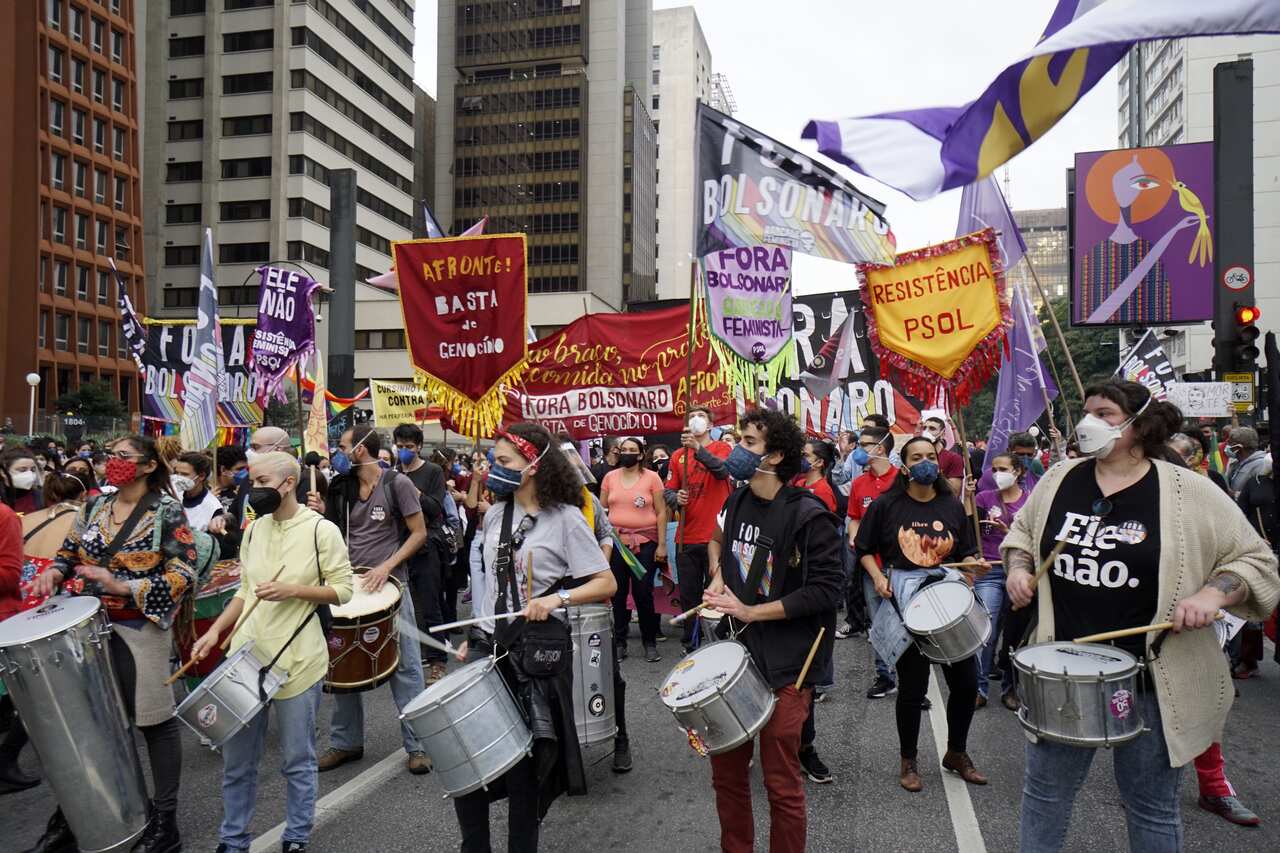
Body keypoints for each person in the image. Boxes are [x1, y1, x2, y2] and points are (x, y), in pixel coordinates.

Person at [1002, 380, 1280, 852]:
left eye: (1105, 414)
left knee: (1150, 805)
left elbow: (1255, 560)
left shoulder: (1189, 490)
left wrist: (1214, 594)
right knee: (1045, 796)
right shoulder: (1059, 478)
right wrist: (1019, 570)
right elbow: (1021, 535)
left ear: (1140, 424)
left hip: (1151, 679)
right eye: (1087, 412)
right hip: (1063, 672)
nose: (1090, 423)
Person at [26, 435, 198, 853]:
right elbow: (70, 551)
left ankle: (165, 820)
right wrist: (55, 572)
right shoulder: (95, 505)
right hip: (86, 625)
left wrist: (122, 583)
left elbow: (184, 571)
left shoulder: (166, 510)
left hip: (139, 626)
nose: (112, 463)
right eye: (110, 455)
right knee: (88, 724)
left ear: (146, 466)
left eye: (123, 457)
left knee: (153, 723)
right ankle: (75, 815)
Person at [452, 423, 616, 852]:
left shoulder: (565, 519)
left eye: (503, 461)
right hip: (490, 646)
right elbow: (489, 586)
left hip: (536, 650)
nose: (493, 468)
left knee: (525, 765)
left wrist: (558, 598)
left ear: (533, 465)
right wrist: (476, 632)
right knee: (467, 757)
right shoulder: (493, 514)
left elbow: (604, 582)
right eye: (493, 460)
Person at [190, 452, 354, 853]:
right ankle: (233, 840)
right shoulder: (254, 529)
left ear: (287, 483)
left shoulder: (321, 531)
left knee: (298, 760)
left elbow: (344, 590)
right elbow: (245, 592)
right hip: (246, 658)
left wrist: (294, 590)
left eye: (261, 479)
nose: (252, 486)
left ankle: (296, 836)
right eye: (250, 477)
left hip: (299, 659)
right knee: (237, 764)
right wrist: (214, 632)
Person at [702, 409, 843, 853]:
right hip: (737, 659)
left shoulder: (809, 515)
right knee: (727, 777)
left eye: (748, 442)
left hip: (788, 664)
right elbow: (722, 546)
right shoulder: (737, 500)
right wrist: (717, 577)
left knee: (781, 783)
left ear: (776, 454)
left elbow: (826, 591)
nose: (737, 449)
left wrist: (751, 611)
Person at [854, 435, 989, 792]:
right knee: (912, 688)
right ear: (904, 464)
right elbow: (863, 548)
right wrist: (879, 577)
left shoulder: (952, 505)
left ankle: (956, 753)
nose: (925, 462)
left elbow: (967, 551)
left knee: (964, 683)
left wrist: (974, 564)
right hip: (907, 602)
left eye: (931, 455)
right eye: (917, 457)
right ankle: (909, 759)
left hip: (948, 601)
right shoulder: (886, 505)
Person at [308, 425, 431, 775]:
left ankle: (418, 746)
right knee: (343, 668)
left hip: (391, 587)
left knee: (406, 670)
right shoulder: (341, 486)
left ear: (360, 449)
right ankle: (346, 743)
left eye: (343, 446)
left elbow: (419, 533)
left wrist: (387, 566)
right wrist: (317, 516)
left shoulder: (398, 484)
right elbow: (331, 534)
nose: (338, 451)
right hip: (348, 589)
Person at [664, 407, 733, 653]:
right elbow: (668, 490)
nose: (696, 419)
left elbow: (723, 470)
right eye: (692, 416)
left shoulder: (722, 448)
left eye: (702, 416)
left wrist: (697, 448)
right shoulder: (677, 456)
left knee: (718, 595)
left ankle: (720, 643)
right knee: (689, 595)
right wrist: (675, 498)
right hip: (687, 536)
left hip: (716, 536)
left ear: (711, 424)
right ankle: (691, 644)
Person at [842, 426, 900, 700]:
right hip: (870, 566)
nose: (859, 449)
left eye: (866, 444)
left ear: (882, 448)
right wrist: (854, 536)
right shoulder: (859, 484)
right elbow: (854, 516)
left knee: (906, 624)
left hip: (903, 567)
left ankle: (912, 681)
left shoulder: (902, 479)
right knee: (878, 624)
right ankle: (885, 676)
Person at [600, 437, 667, 663]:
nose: (626, 453)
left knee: (643, 594)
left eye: (632, 450)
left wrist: (662, 544)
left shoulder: (653, 478)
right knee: (617, 594)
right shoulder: (609, 478)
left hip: (645, 544)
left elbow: (661, 512)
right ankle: (620, 642)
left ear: (640, 455)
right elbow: (602, 510)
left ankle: (650, 642)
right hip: (616, 544)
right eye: (623, 450)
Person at [391, 424, 450, 681]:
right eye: (400, 446)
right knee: (402, 606)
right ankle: (407, 657)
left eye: (409, 447)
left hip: (427, 546)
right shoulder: (392, 474)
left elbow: (435, 508)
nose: (404, 451)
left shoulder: (433, 471)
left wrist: (411, 490)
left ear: (419, 447)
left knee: (429, 605)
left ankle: (438, 660)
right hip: (399, 546)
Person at [972, 453, 1029, 708]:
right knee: (987, 630)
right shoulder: (984, 498)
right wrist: (966, 498)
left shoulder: (1030, 502)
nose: (997, 473)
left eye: (1003, 468)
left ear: (1017, 471)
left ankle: (1011, 688)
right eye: (994, 469)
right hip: (990, 570)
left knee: (1016, 635)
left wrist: (1010, 534)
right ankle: (979, 688)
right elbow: (970, 528)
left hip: (1019, 571)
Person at [0, 501, 36, 795]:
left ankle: (6, 758)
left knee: (27, 698)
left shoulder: (4, 516)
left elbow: (11, 575)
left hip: (4, 624)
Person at [170, 452, 224, 533]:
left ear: (201, 476)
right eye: (177, 473)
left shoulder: (213, 508)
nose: (179, 478)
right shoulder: (173, 494)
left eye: (184, 474)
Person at [920, 416, 965, 494]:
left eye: (932, 428)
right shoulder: (915, 457)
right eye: (924, 428)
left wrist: (935, 473)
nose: (926, 432)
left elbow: (955, 492)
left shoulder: (953, 458)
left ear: (943, 434)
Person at [792, 440, 837, 513]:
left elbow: (822, 522)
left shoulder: (823, 492)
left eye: (806, 455)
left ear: (819, 462)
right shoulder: (799, 483)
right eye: (801, 454)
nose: (801, 458)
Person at [1225, 426, 1268, 496]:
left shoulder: (1261, 464)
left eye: (1230, 443)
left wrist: (1233, 494)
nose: (1227, 446)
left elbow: (1260, 495)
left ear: (1239, 447)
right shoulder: (1235, 463)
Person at [1, 449, 45, 514]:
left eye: (33, 470)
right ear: (3, 472)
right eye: (22, 470)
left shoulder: (42, 497)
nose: (29, 474)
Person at [215, 446, 249, 511]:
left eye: (246, 468)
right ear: (224, 470)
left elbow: (249, 517)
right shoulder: (208, 496)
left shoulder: (245, 491)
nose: (246, 473)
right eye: (240, 469)